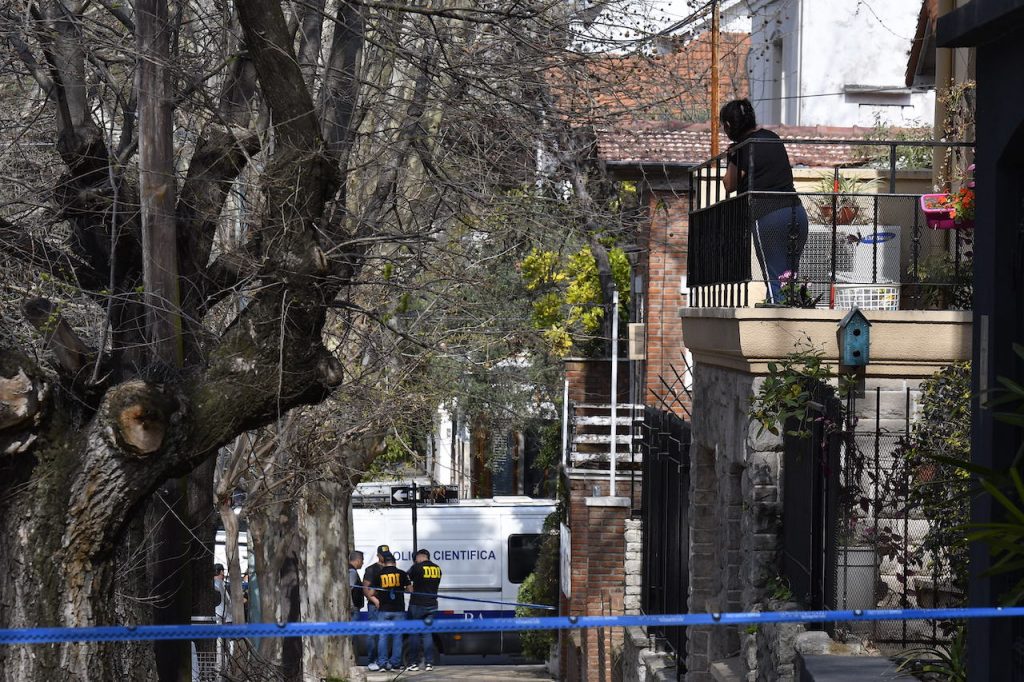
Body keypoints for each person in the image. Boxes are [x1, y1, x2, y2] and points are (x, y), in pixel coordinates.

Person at [720, 98, 809, 304]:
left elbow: (729, 184)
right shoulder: (772, 137)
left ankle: (778, 321)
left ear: (729, 126)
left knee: (774, 279)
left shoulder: (744, 147)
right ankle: (793, 312)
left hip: (767, 216)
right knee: (789, 277)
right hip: (796, 211)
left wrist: (731, 157)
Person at [364, 551, 410, 672]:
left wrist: (377, 600)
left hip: (384, 610)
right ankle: (395, 663)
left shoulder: (379, 574)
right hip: (399, 609)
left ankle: (382, 663)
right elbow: (410, 590)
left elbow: (370, 592)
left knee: (383, 637)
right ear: (395, 563)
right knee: (397, 637)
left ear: (384, 563)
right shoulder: (402, 574)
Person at [405, 549, 442, 672]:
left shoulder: (417, 567)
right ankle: (429, 663)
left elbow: (405, 577)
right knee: (427, 634)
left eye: (416, 559)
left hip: (417, 604)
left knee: (414, 633)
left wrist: (410, 588)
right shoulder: (437, 569)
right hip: (432, 605)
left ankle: (414, 663)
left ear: (420, 557)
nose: (415, 561)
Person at [361, 545, 390, 671]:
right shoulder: (371, 569)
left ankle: (383, 660)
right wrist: (374, 599)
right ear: (378, 555)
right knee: (373, 634)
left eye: (387, 554)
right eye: (383, 554)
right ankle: (372, 660)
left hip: (387, 606)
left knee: (385, 634)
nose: (385, 557)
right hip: (374, 606)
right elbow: (365, 588)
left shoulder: (390, 568)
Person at [348, 550, 365, 621]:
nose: (363, 563)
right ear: (358, 561)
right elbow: (350, 588)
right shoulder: (352, 572)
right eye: (362, 560)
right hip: (353, 608)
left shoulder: (349, 569)